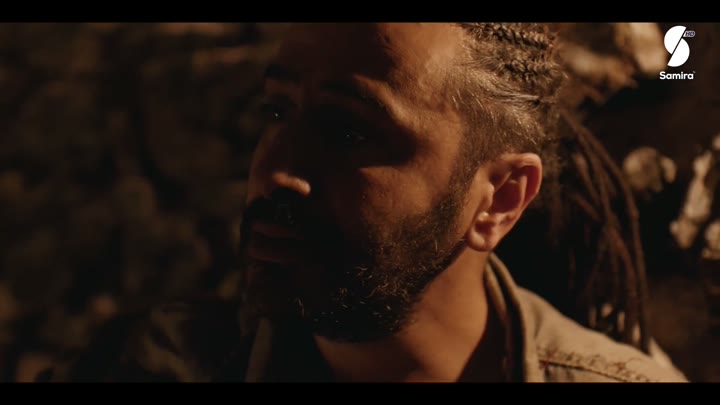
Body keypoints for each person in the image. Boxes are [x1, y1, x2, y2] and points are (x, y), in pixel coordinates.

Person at [41, 22, 688, 382]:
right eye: (277, 111)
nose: (276, 173)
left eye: (348, 131)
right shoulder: (148, 366)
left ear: (499, 198)